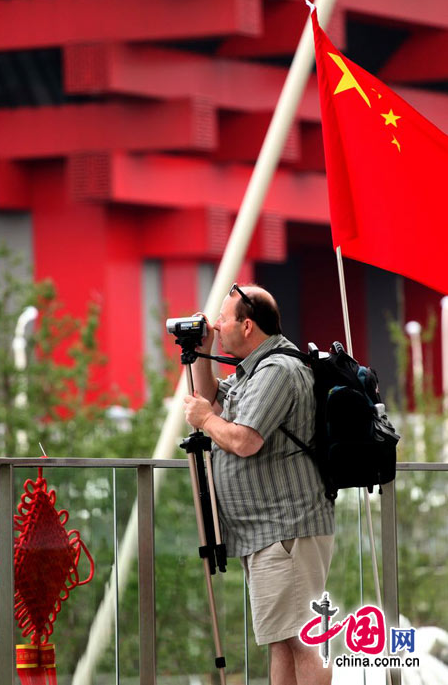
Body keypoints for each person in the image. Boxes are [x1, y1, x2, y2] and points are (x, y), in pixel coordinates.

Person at [183, 283, 335, 685]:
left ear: (247, 326)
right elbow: (213, 398)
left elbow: (243, 439)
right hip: (269, 532)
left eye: (223, 319)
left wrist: (203, 421)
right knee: (281, 641)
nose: (217, 324)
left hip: (287, 529)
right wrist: (202, 349)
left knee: (303, 639)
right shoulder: (255, 371)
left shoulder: (277, 371)